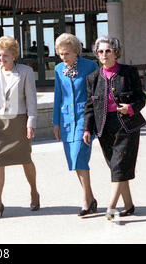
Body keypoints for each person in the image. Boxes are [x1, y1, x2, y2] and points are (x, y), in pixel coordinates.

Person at [83, 36, 146, 220]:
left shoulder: (129, 72)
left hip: (127, 125)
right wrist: (87, 129)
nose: (104, 54)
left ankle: (110, 207)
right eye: (100, 51)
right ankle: (128, 205)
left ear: (116, 53)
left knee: (119, 166)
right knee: (117, 167)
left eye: (108, 51)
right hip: (104, 127)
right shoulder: (93, 78)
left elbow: (141, 98)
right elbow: (89, 106)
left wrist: (131, 108)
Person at [0, 36, 40, 220]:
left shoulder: (25, 71)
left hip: (19, 121)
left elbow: (31, 99)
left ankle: (34, 191)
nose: (2, 59)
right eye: (0, 55)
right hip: (0, 121)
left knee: (25, 159)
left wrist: (30, 122)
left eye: (6, 55)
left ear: (14, 55)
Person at [52, 33, 99, 216]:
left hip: (84, 117)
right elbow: (58, 96)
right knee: (74, 160)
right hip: (66, 121)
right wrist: (56, 122)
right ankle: (91, 197)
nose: (64, 57)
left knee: (79, 155)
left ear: (76, 51)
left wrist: (93, 121)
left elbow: (96, 95)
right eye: (61, 54)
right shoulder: (58, 69)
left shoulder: (90, 66)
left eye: (67, 53)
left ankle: (86, 201)